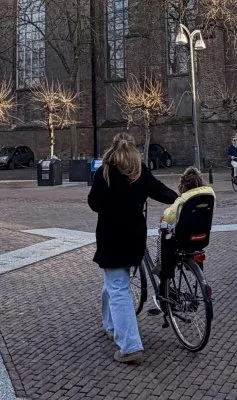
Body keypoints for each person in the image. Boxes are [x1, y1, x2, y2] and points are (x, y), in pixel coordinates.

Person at [88, 132, 178, 365]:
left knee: (118, 287)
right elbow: (163, 193)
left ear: (113, 149)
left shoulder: (105, 172)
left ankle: (130, 346)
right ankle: (109, 325)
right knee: (114, 283)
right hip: (134, 236)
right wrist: (180, 198)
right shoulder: (140, 172)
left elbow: (93, 203)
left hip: (111, 236)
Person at [156, 168, 215, 293]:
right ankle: (198, 274)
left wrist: (164, 219)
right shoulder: (209, 194)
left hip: (183, 239)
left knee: (165, 241)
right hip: (201, 238)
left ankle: (164, 275)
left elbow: (169, 216)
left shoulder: (183, 199)